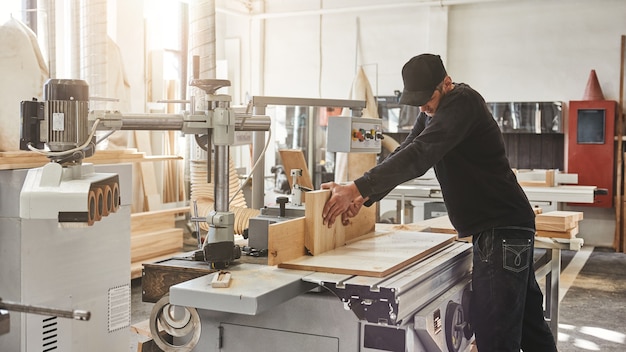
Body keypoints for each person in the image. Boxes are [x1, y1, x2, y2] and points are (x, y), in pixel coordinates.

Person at [321, 53, 558, 352]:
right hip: (504, 229)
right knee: (529, 326)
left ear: (446, 83)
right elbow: (405, 152)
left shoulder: (463, 102)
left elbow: (421, 155)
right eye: (417, 102)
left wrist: (356, 186)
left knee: (496, 336)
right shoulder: (432, 112)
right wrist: (363, 195)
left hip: (502, 231)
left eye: (427, 99)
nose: (423, 107)